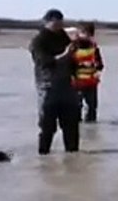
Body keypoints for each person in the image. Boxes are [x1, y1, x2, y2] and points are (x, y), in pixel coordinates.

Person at [28, 9, 81, 155]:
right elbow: (44, 61)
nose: (59, 25)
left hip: (67, 87)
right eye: (56, 22)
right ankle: (43, 156)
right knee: (47, 127)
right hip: (47, 87)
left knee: (71, 126)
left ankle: (73, 159)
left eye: (61, 22)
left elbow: (73, 61)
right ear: (48, 22)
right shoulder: (38, 41)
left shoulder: (63, 37)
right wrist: (65, 54)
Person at [72, 22, 105, 123]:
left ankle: (91, 125)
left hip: (91, 81)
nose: (86, 36)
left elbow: (100, 64)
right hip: (77, 82)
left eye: (89, 34)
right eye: (84, 33)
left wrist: (97, 67)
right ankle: (76, 123)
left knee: (92, 105)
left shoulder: (94, 47)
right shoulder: (73, 47)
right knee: (77, 105)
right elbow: (69, 63)